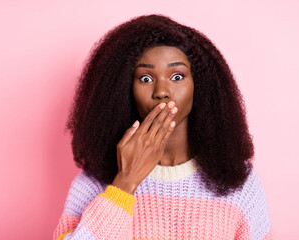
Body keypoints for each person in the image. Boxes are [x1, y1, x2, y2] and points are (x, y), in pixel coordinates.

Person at [53, 14, 273, 240]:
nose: (161, 92)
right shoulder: (93, 183)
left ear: (200, 86)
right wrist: (124, 184)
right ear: (123, 90)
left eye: (177, 76)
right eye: (146, 79)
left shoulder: (239, 184)